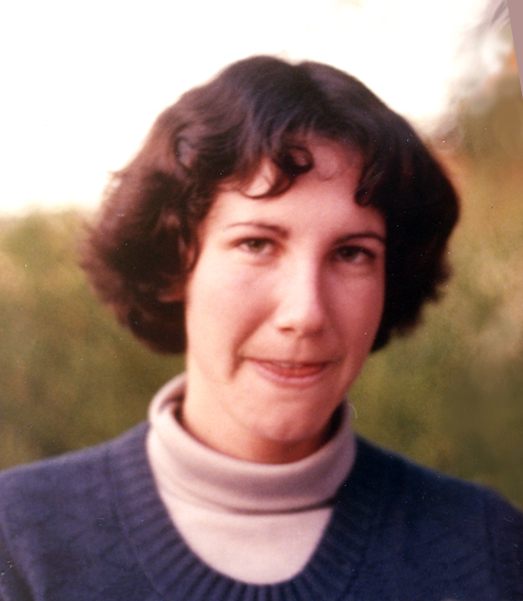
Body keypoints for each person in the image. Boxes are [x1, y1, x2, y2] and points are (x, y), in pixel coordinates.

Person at [0, 56, 521, 601]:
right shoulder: (21, 540)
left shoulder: (487, 550)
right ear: (176, 265)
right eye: (256, 244)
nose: (306, 313)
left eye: (351, 253)